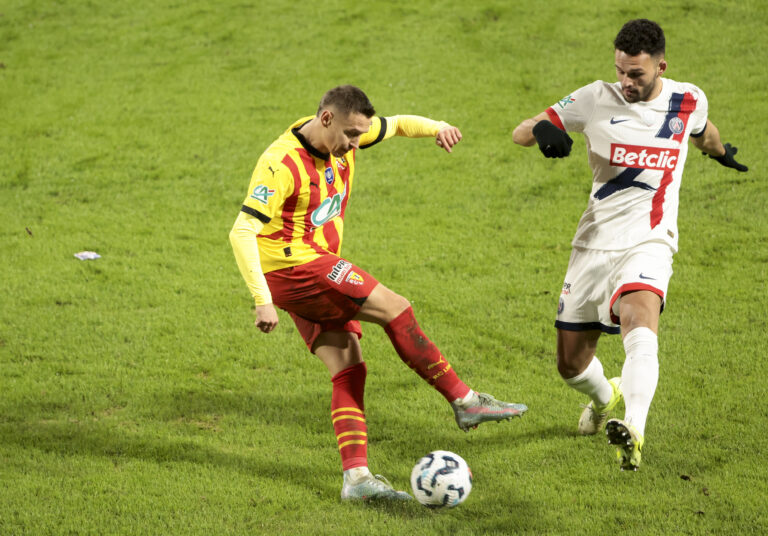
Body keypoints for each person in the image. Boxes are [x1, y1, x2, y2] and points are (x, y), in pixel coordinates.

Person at [230, 85, 527, 500]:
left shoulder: (343, 134)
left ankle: (356, 479)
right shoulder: (280, 164)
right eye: (351, 135)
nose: (356, 144)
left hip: (309, 265)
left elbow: (399, 124)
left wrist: (438, 127)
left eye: (360, 134)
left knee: (349, 366)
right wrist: (262, 300)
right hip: (295, 268)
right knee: (395, 308)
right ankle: (465, 401)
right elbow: (242, 231)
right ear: (327, 118)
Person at [512, 19, 747, 471]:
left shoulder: (687, 100)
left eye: (636, 74)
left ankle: (634, 428)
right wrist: (542, 131)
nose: (626, 81)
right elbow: (521, 130)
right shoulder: (595, 97)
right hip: (594, 243)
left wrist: (721, 153)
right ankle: (606, 397)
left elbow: (704, 131)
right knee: (570, 365)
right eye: (620, 70)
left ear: (661, 66)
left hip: (650, 238)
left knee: (640, 320)